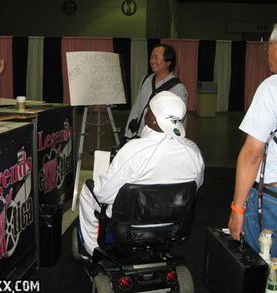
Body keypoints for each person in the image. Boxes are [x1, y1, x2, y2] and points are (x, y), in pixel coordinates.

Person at [79, 91, 204, 256]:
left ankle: (92, 250)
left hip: (129, 225)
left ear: (152, 119)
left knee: (88, 193)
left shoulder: (133, 151)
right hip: (173, 224)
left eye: (148, 110)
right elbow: (195, 189)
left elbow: (103, 195)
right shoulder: (193, 152)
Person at [228, 23, 277, 256]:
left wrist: (237, 208)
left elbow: (253, 154)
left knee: (265, 272)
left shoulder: (272, 88)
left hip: (271, 202)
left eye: (267, 45)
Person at [124, 44, 188, 140]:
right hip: (139, 134)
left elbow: (179, 120)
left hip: (160, 139)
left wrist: (176, 141)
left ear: (168, 62)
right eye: (151, 57)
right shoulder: (146, 79)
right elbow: (137, 106)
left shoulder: (178, 89)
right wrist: (128, 133)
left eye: (156, 58)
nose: (152, 61)